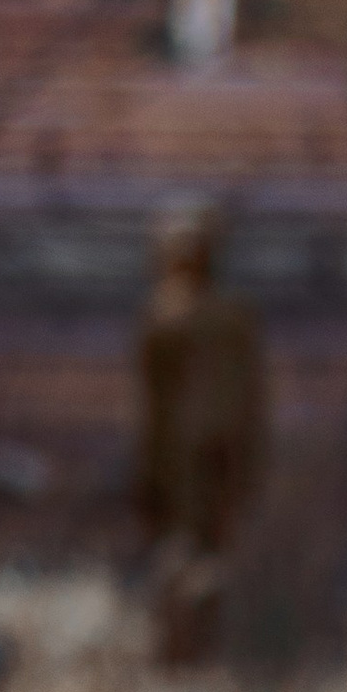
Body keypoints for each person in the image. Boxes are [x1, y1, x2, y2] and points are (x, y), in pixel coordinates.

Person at [137, 204, 266, 665]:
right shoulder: (192, 317)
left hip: (196, 454)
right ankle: (185, 652)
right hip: (194, 454)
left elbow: (250, 396)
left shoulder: (179, 315)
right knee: (193, 555)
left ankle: (189, 653)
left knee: (194, 555)